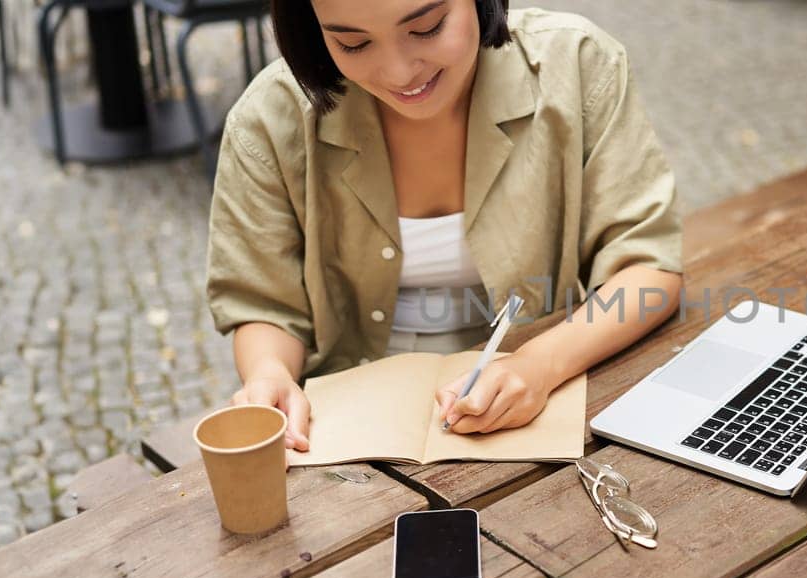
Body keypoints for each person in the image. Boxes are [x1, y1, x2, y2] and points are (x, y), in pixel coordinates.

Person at [207, 0, 683, 450]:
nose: (398, 73)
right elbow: (264, 303)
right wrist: (269, 373)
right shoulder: (269, 118)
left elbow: (647, 269)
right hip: (345, 417)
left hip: (538, 390)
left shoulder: (576, 65)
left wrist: (537, 365)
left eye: (426, 28)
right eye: (352, 44)